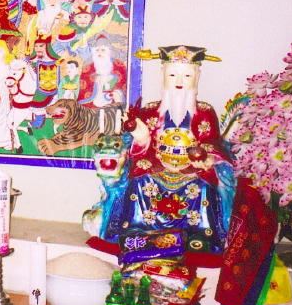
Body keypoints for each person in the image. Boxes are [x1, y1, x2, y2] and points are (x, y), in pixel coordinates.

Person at [102, 46, 230, 252]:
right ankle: (138, 229)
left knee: (203, 183)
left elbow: (212, 142)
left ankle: (199, 234)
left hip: (192, 166)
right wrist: (141, 137)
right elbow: (141, 147)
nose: (179, 81)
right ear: (163, 76)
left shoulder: (205, 112)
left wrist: (204, 158)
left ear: (196, 78)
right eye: (172, 75)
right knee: (140, 178)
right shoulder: (150, 110)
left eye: (187, 76)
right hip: (158, 161)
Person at [78, 34, 126, 107]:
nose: (99, 53)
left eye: (103, 50)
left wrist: (117, 93)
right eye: (97, 50)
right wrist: (97, 81)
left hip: (113, 102)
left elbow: (124, 84)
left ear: (109, 51)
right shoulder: (88, 67)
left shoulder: (118, 65)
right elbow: (83, 88)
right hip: (92, 104)